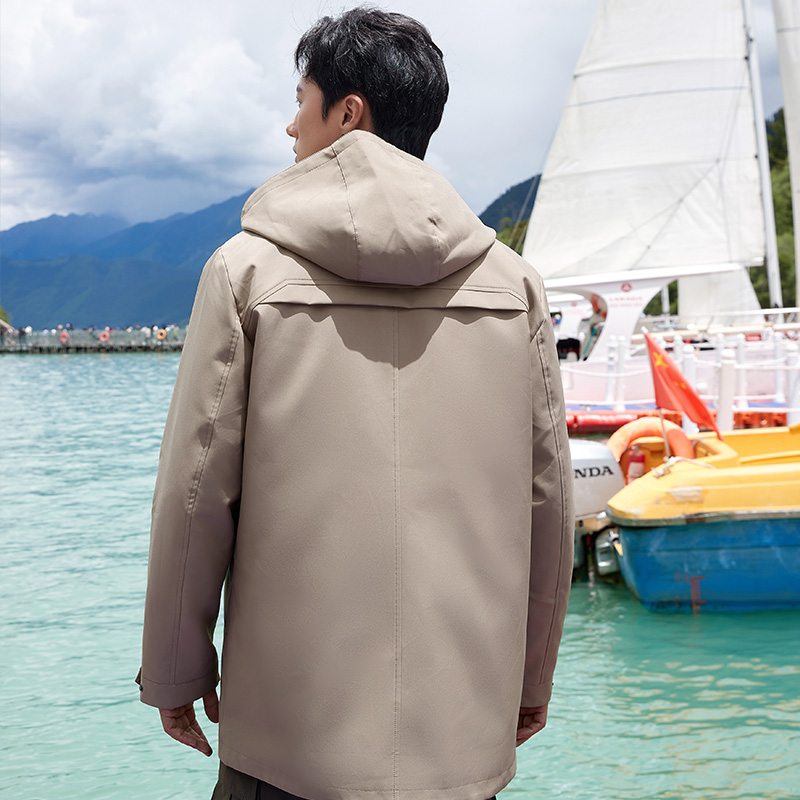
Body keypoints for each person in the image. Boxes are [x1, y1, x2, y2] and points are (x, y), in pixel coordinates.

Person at [137, 8, 573, 800]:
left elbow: (194, 494)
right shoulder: (514, 286)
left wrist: (175, 670)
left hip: (287, 746)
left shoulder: (245, 272)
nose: (290, 126)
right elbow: (548, 502)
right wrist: (530, 676)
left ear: (347, 112)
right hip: (459, 743)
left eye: (300, 101)